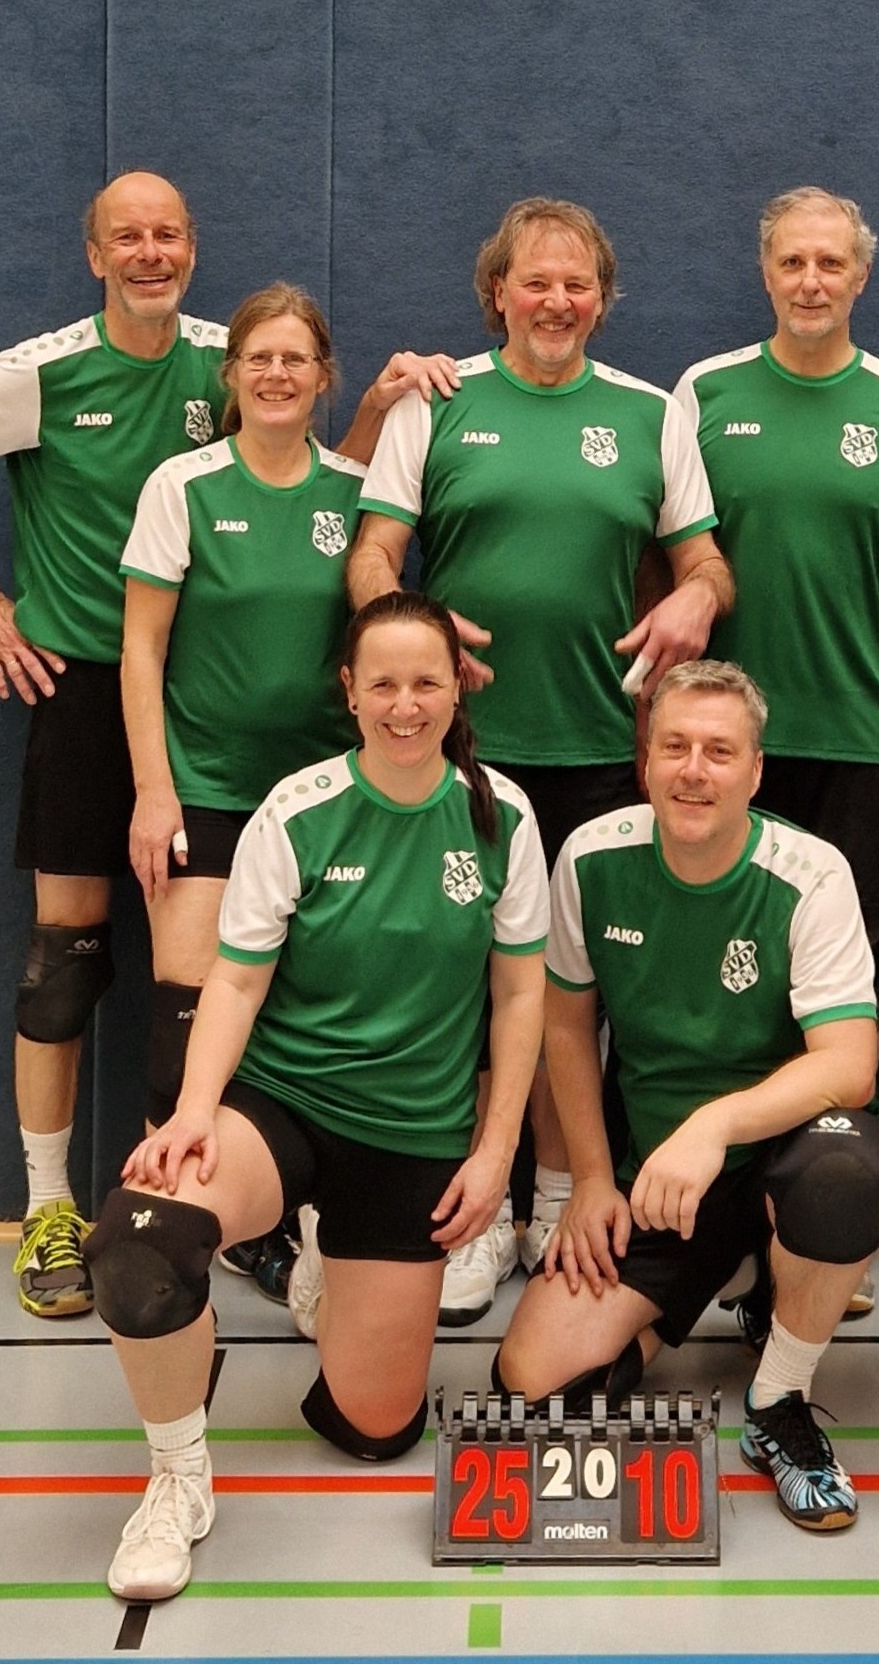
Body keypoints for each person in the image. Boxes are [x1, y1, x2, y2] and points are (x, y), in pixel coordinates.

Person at [0, 177, 447, 1315]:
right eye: (124, 237)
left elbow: (302, 492)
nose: (148, 252)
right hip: (92, 687)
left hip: (225, 696)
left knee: (248, 976)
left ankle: (221, 1210)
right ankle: (49, 1208)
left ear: (192, 247)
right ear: (93, 255)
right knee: (65, 966)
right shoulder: (42, 372)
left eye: (167, 234)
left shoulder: (229, 354)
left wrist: (378, 409)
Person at [80, 591, 547, 1600]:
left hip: (412, 1132)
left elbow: (519, 996)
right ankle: (175, 1478)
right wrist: (194, 1110)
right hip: (283, 1104)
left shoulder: (502, 816)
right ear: (349, 691)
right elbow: (236, 983)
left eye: (425, 682)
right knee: (140, 1236)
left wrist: (496, 1150)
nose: (405, 705)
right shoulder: (297, 810)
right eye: (382, 684)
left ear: (456, 689)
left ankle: (332, 1262)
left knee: (375, 1428)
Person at [349, 196, 734, 1324]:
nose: (556, 301)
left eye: (577, 284)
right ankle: (475, 1213)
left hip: (603, 751)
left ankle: (562, 1201)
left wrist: (698, 602)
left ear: (602, 300)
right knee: (470, 986)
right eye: (535, 282)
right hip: (460, 754)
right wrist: (413, 627)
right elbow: (371, 554)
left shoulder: (652, 414)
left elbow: (706, 561)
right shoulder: (439, 404)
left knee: (578, 989)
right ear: (497, 294)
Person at [496, 661, 879, 1534]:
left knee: (844, 1188)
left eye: (719, 752)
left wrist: (714, 1125)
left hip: (785, 1149)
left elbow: (849, 1064)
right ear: (644, 761)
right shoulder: (591, 856)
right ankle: (743, 1272)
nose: (693, 770)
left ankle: (777, 1399)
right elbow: (564, 1026)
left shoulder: (811, 871)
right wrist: (590, 1181)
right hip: (658, 1177)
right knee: (533, 1384)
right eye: (674, 747)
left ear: (755, 772)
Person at [118, 283, 459, 1303]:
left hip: (325, 803)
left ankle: (308, 1234)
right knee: (188, 1015)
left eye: (295, 359)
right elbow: (141, 647)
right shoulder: (182, 485)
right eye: (258, 358)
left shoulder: (354, 491)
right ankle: (169, 1229)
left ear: (322, 377)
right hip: (207, 791)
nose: (275, 374)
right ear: (231, 375)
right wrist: (153, 791)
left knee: (303, 1013)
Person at [674, 184, 879, 1320]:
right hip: (721, 752)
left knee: (838, 995)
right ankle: (719, 1226)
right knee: (722, 985)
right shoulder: (703, 393)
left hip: (855, 747)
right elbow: (672, 560)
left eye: (829, 263)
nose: (810, 280)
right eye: (791, 261)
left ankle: (825, 1225)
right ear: (765, 273)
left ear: (860, 277)